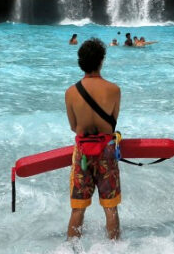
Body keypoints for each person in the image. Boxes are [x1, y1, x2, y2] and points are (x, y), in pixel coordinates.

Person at [64, 38, 121, 240]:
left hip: (83, 154)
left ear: (81, 62)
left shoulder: (70, 93)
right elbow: (112, 124)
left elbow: (74, 127)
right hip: (106, 151)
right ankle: (116, 249)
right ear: (101, 60)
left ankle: (71, 249)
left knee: (78, 209)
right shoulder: (114, 90)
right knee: (111, 207)